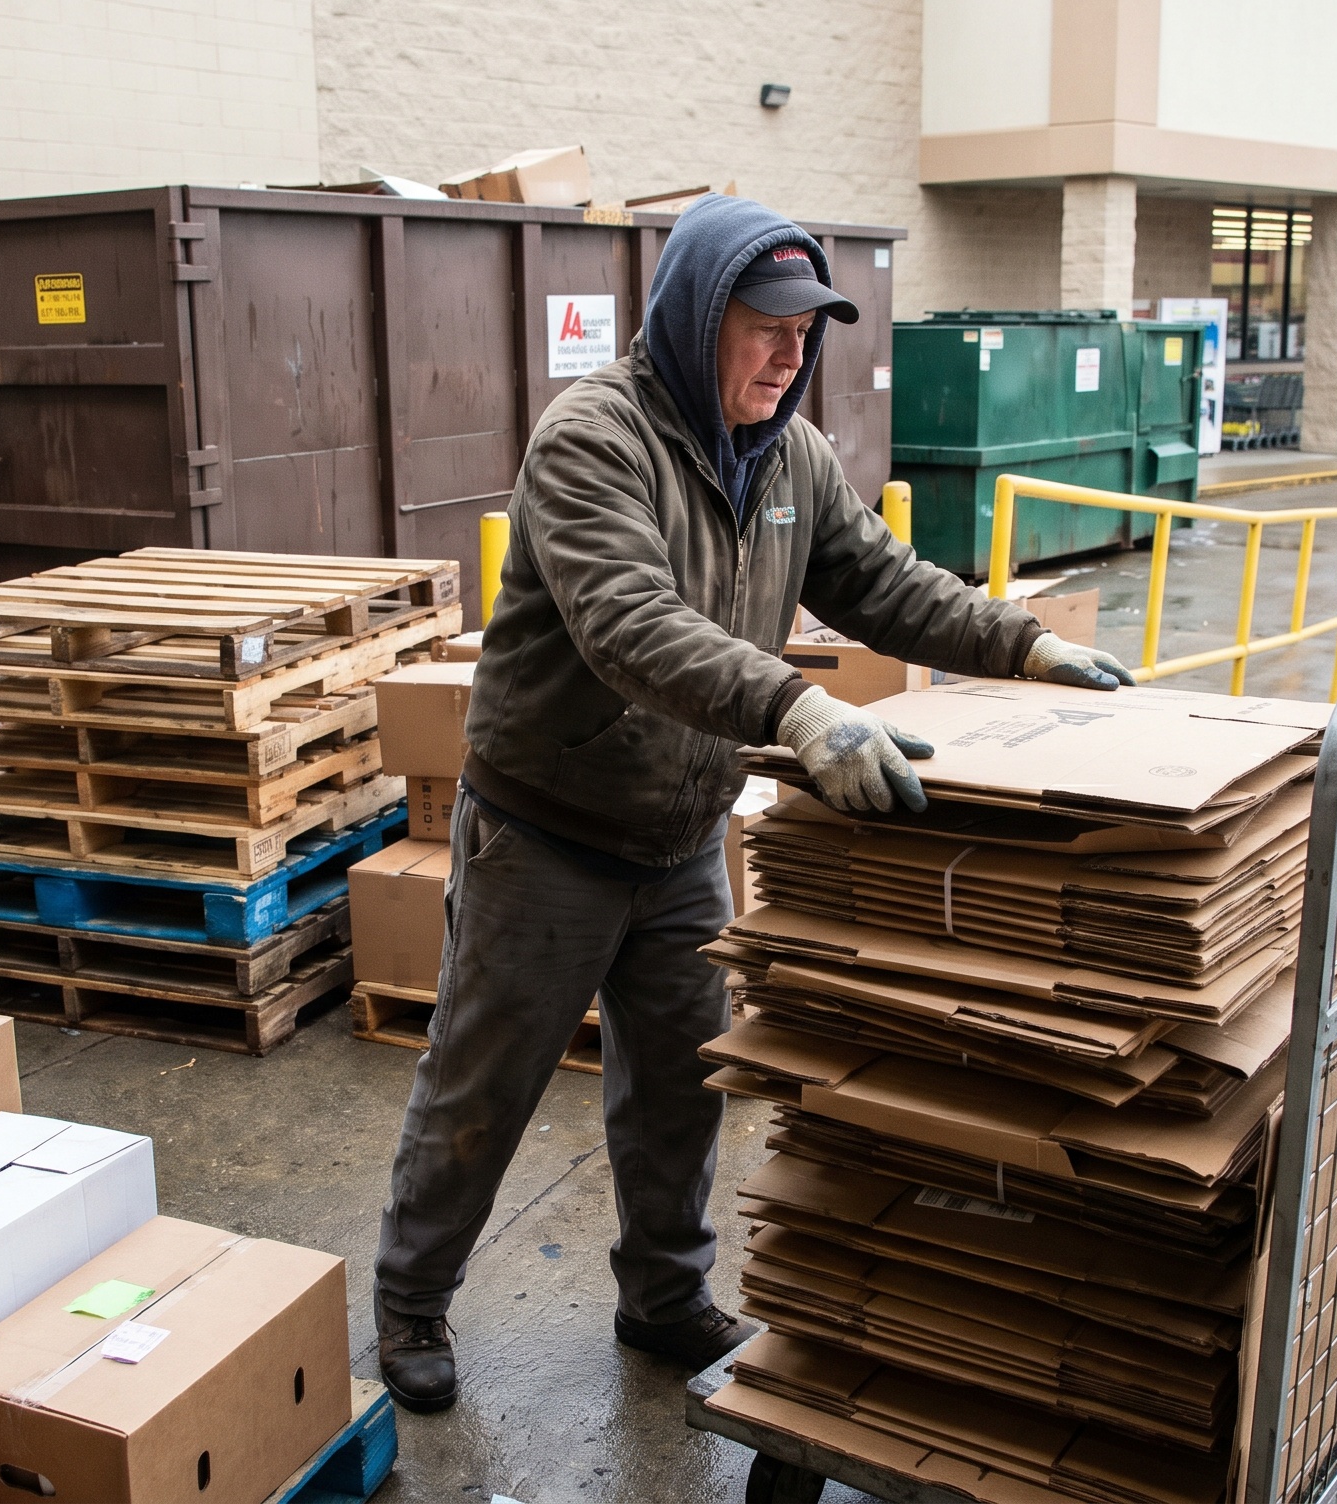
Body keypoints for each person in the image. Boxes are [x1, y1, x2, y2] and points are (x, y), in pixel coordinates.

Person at [369, 194, 1134, 1411]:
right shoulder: (592, 441)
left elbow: (882, 584)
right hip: (548, 832)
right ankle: (411, 1302)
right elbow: (631, 626)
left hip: (679, 837)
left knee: (682, 1082)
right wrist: (801, 710)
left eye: (807, 330)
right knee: (485, 1081)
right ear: (693, 315)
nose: (790, 354)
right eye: (765, 324)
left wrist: (1025, 646)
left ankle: (662, 1299)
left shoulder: (795, 456)